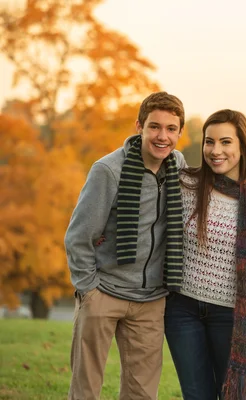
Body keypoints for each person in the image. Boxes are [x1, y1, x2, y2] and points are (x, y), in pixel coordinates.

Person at [65, 91, 187, 400]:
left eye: (171, 129)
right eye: (154, 127)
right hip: (104, 292)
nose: (163, 136)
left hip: (151, 300)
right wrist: (89, 289)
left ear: (179, 132)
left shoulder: (178, 166)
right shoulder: (108, 170)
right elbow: (79, 236)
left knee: (142, 393)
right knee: (86, 390)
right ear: (139, 127)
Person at [164, 109, 246, 400]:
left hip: (232, 314)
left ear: (242, 146)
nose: (216, 151)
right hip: (182, 310)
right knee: (195, 395)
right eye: (209, 142)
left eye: (226, 142)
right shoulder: (185, 184)